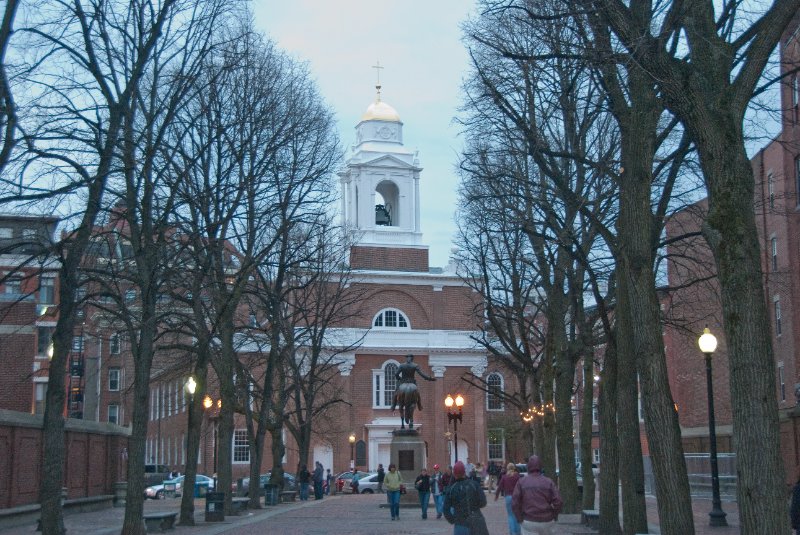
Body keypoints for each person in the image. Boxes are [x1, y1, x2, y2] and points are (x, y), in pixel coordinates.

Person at [512, 455, 563, 535]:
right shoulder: (548, 482)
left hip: (529, 520)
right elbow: (558, 501)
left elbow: (515, 502)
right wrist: (554, 515)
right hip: (547, 520)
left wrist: (519, 518)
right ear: (540, 466)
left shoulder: (521, 482)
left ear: (528, 467)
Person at [443, 460, 488, 535]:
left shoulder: (452, 489)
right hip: (475, 521)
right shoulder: (474, 485)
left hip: (460, 524)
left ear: (454, 474)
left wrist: (453, 520)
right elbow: (483, 502)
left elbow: (445, 510)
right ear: (464, 472)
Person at [496, 462, 521, 535]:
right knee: (517, 515)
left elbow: (500, 486)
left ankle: (512, 532)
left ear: (507, 468)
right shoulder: (517, 476)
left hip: (508, 497)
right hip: (516, 497)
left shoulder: (504, 477)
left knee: (510, 515)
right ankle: (518, 532)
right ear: (514, 468)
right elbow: (521, 486)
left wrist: (497, 495)